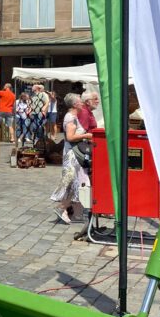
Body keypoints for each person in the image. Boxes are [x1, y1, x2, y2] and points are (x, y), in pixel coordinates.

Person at [50, 93, 93, 224]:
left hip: (73, 155)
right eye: (80, 102)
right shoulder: (71, 118)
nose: (82, 103)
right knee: (76, 183)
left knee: (77, 183)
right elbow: (70, 137)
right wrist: (87, 135)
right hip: (72, 155)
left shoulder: (73, 117)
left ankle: (77, 215)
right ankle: (62, 207)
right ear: (75, 105)